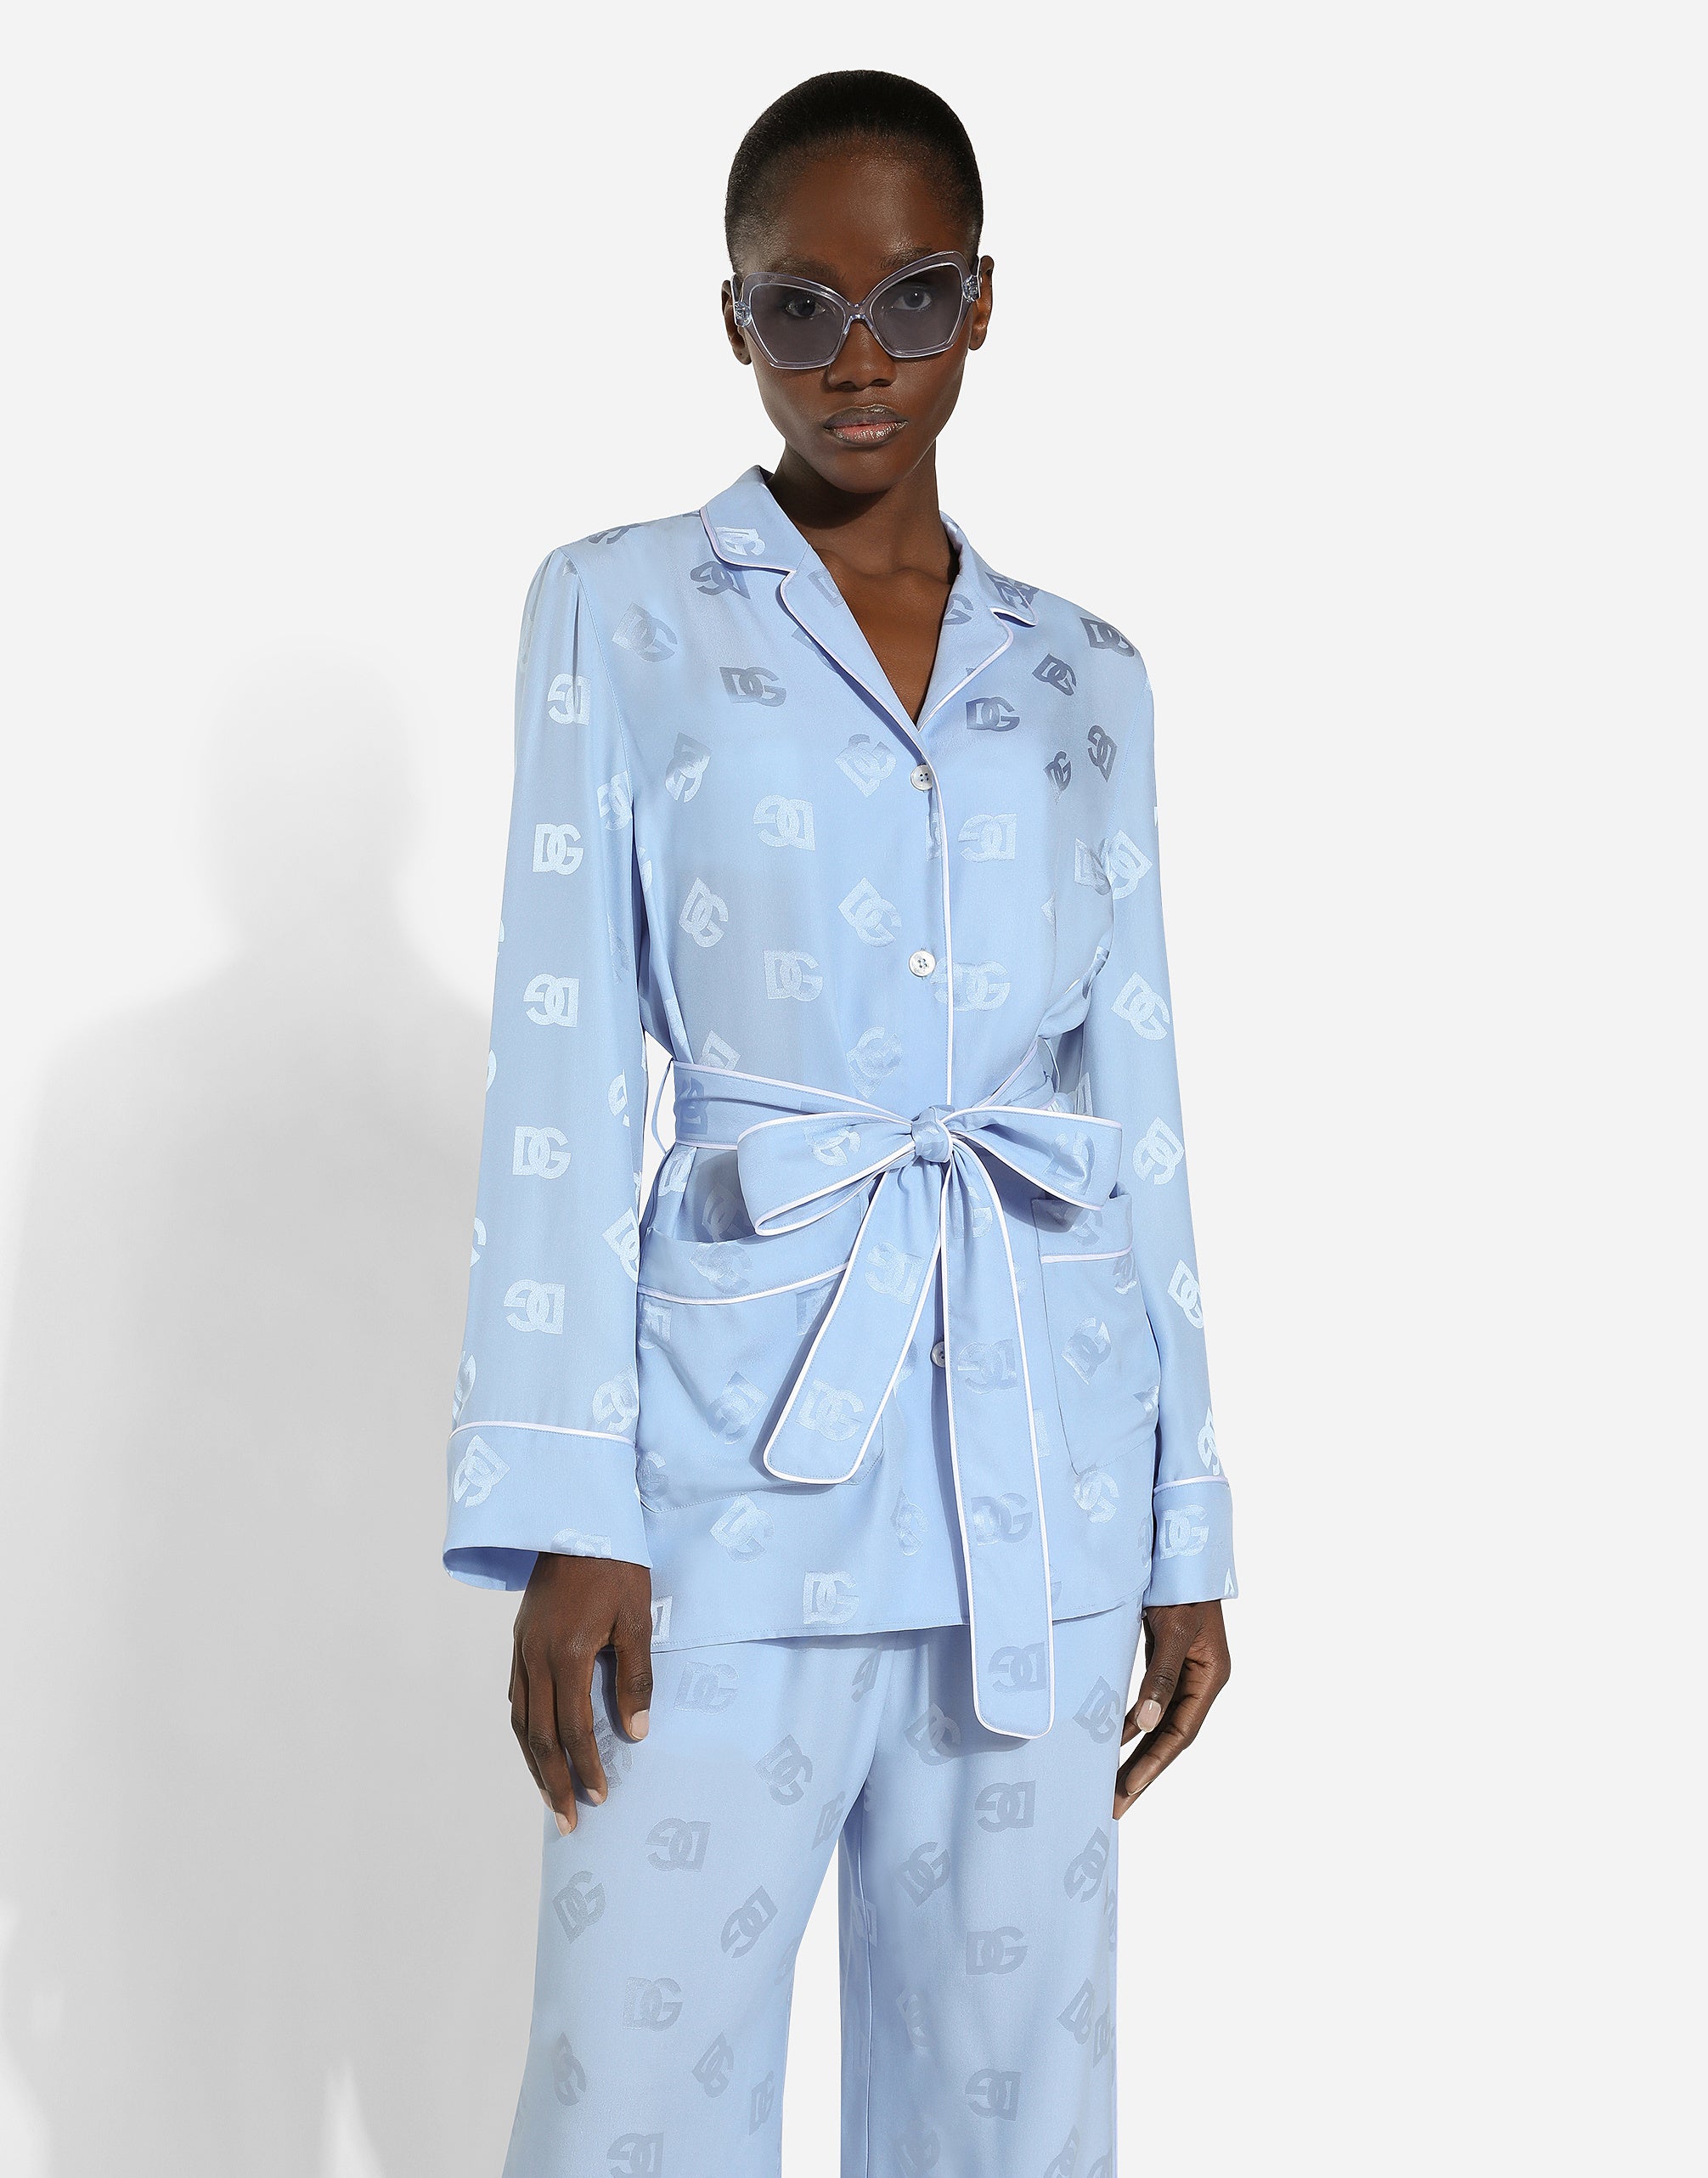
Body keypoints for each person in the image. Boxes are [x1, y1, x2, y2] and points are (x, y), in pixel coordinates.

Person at [442, 68, 1237, 2178]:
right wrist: (567, 1505)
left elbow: (1131, 1102)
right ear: (733, 318)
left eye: (913, 298)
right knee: (631, 2099)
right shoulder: (620, 608)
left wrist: (1182, 1528)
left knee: (1012, 2115)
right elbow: (558, 1062)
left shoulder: (1088, 678)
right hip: (719, 1477)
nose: (857, 357)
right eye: (800, 305)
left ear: (984, 302)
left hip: (1038, 1480)